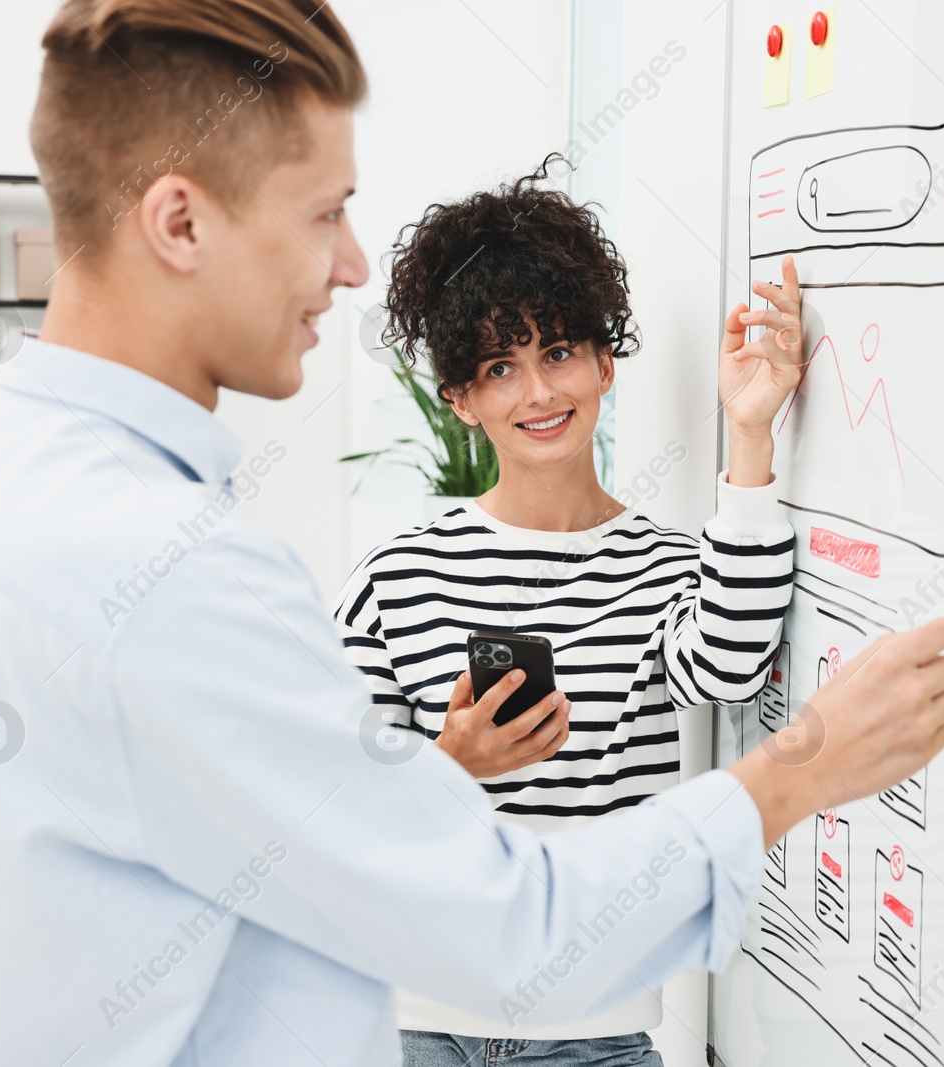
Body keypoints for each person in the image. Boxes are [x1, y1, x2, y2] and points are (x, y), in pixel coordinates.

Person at [0, 2, 944, 1064]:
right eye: (323, 212)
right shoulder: (171, 574)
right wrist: (803, 761)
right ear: (179, 221)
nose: (349, 263)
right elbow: (511, 928)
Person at [333, 163, 806, 1066]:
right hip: (412, 1026)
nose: (539, 393)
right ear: (461, 400)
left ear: (603, 362)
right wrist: (449, 764)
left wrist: (750, 434)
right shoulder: (399, 573)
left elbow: (733, 663)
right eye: (499, 368)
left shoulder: (666, 566)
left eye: (558, 353)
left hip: (592, 1033)